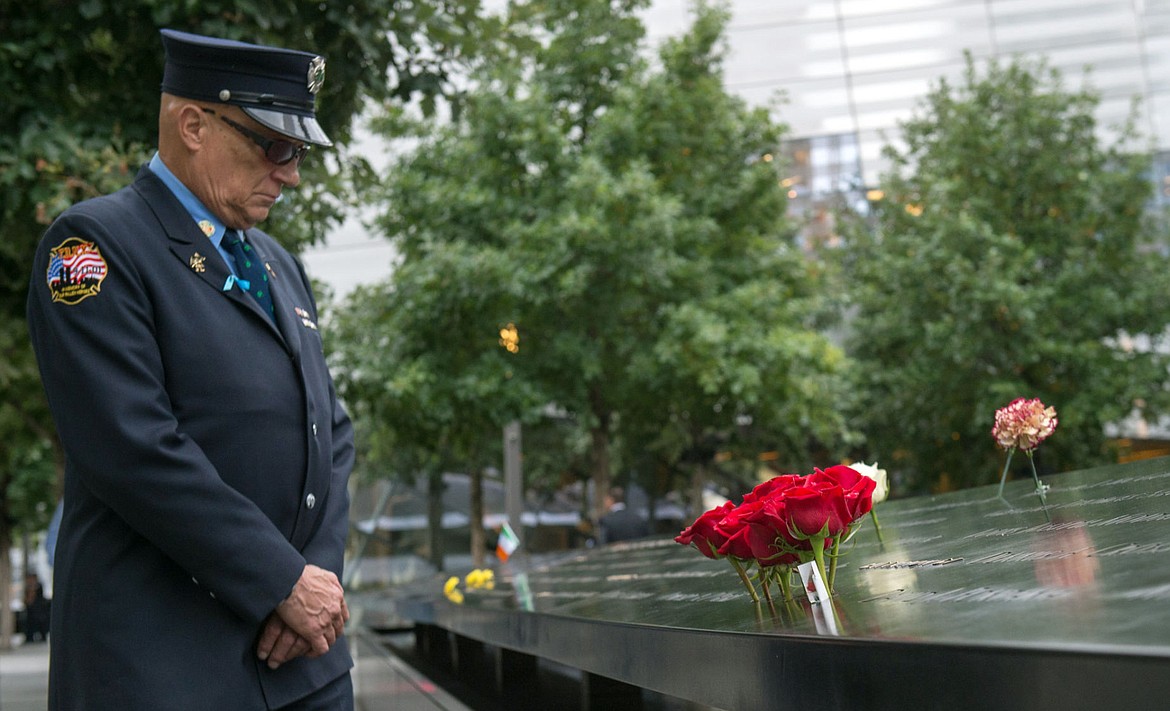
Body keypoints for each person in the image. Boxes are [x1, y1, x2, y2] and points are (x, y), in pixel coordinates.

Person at [27, 29, 354, 710]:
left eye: (296, 152)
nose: (291, 172)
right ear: (194, 125)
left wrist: (313, 581)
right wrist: (280, 581)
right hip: (165, 666)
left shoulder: (277, 263)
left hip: (303, 665)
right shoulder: (93, 247)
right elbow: (132, 447)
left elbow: (332, 428)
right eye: (274, 146)